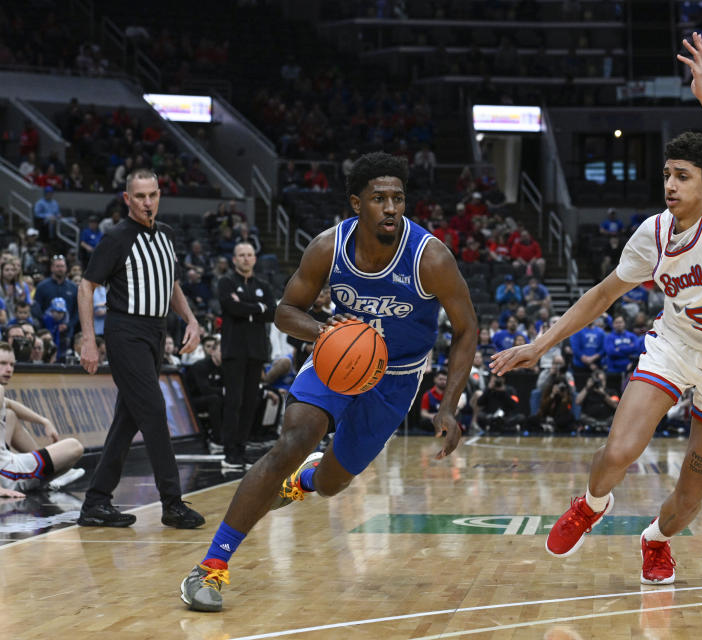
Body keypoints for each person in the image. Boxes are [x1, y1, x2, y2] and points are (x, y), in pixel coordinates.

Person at [492, 32, 702, 584]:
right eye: (666, 173)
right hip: (677, 347)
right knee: (618, 451)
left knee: (692, 492)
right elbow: (601, 296)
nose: (669, 184)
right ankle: (592, 504)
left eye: (682, 176)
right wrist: (540, 344)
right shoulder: (653, 234)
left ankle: (657, 540)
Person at [179, 152, 477, 612]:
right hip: (336, 359)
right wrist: (328, 335)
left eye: (399, 198)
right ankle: (212, 567)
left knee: (335, 482)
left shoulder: (430, 257)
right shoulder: (327, 247)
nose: (392, 207)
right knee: (292, 439)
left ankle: (306, 480)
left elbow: (467, 329)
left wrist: (448, 405)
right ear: (357, 204)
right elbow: (284, 312)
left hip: (395, 378)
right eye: (380, 198)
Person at [76, 168, 204, 529]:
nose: (148, 202)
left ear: (159, 195)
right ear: (127, 199)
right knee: (153, 412)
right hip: (126, 332)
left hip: (155, 331)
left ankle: (96, 502)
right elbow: (86, 286)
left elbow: (171, 283)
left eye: (153, 195)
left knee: (127, 419)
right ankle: (172, 503)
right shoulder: (116, 238)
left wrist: (191, 320)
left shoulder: (166, 234)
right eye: (140, 196)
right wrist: (90, 339)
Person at [217, 242, 276, 470]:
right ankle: (229, 452)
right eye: (241, 255)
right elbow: (232, 308)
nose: (245, 259)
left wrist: (249, 308)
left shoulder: (263, 284)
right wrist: (257, 309)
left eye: (249, 255)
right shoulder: (226, 282)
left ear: (254, 258)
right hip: (234, 350)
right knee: (234, 402)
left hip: (257, 351)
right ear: (234, 259)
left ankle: (241, 450)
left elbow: (272, 312)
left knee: (251, 402)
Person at [0, 342, 86, 497]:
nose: (9, 369)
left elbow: (11, 404)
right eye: (3, 363)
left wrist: (44, 421)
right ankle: (47, 481)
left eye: (12, 364)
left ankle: (44, 477)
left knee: (10, 415)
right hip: (8, 474)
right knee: (74, 447)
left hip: (6, 464)